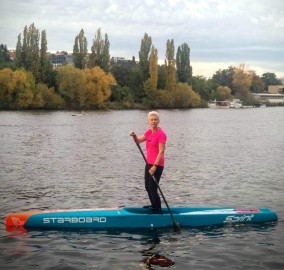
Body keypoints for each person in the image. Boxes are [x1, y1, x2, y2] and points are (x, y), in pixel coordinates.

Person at [130, 111, 167, 214]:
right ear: (148, 121)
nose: (153, 121)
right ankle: (154, 205)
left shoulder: (161, 134)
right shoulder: (149, 132)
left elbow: (161, 152)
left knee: (153, 188)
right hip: (148, 163)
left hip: (157, 164)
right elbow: (138, 141)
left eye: (155, 119)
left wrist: (155, 166)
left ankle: (157, 210)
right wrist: (134, 136)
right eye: (151, 119)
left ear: (158, 121)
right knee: (147, 187)